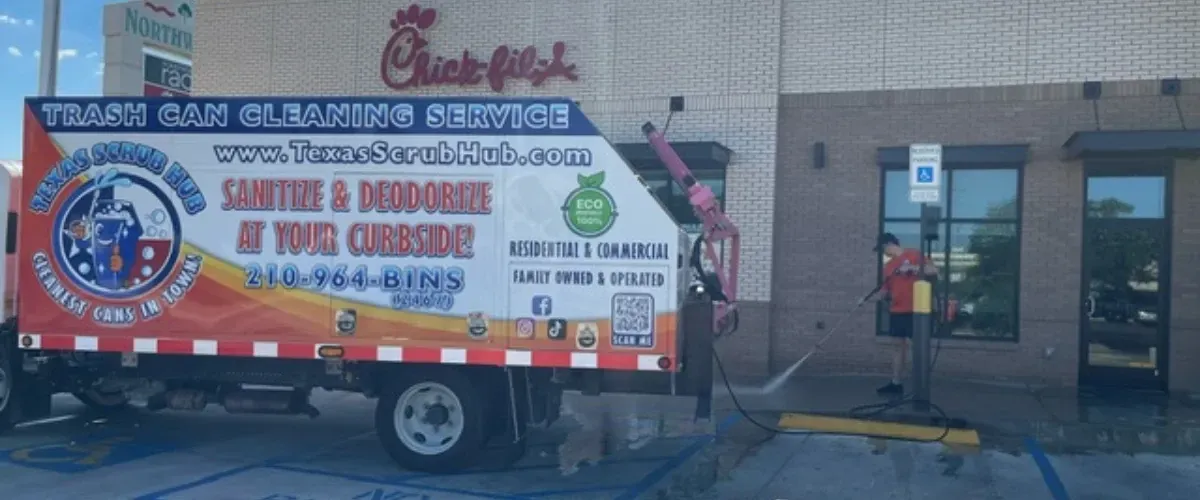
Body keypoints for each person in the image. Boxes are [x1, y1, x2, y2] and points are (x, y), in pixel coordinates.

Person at [870, 232, 937, 395]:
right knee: (897, 347)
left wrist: (912, 268)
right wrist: (878, 296)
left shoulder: (914, 254)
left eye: (883, 249)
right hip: (897, 310)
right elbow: (887, 288)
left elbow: (933, 270)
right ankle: (896, 383)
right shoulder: (888, 267)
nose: (884, 253)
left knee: (918, 346)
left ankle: (920, 383)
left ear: (889, 245)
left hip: (917, 310)